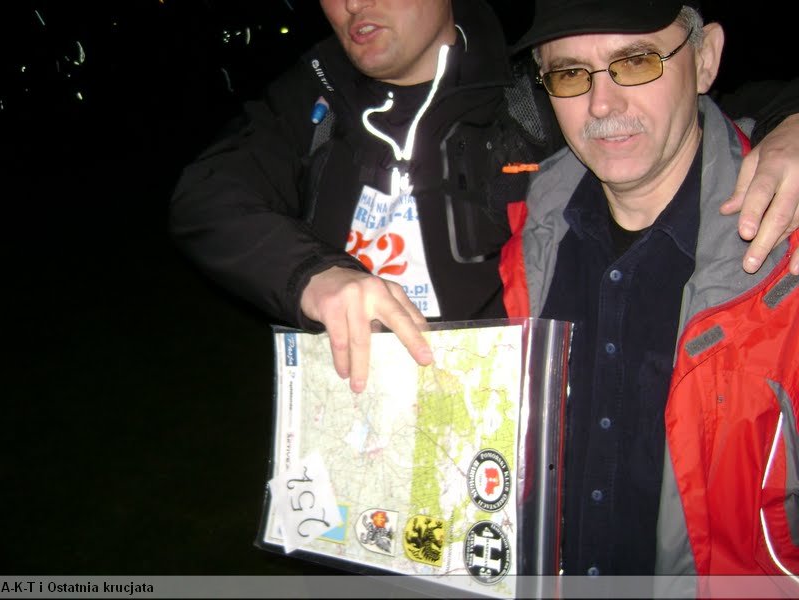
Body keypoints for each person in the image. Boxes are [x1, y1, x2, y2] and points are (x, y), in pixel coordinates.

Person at [169, 0, 799, 394]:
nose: (354, 4)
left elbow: (681, 111)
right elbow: (208, 194)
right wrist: (314, 275)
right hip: (350, 434)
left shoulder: (533, 89)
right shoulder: (312, 94)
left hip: (500, 448)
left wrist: (790, 123)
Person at [506, 0, 799, 585]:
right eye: (570, 73)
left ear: (706, 59)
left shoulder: (787, 257)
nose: (602, 104)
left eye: (636, 61)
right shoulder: (520, 232)